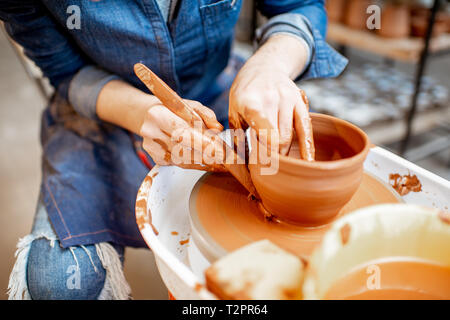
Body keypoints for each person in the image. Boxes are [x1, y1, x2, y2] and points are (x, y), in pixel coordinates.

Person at [1, 0, 347, 299]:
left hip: (220, 95)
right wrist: (139, 112)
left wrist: (269, 66)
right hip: (104, 107)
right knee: (60, 284)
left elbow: (297, 7)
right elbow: (65, 72)